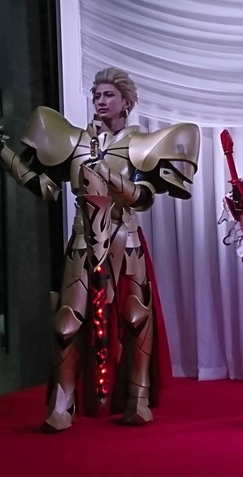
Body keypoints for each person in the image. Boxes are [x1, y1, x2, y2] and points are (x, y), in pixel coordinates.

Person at [0, 67, 200, 432]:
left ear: (126, 102)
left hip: (127, 238)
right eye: (96, 95)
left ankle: (138, 398)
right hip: (82, 240)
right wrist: (4, 154)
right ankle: (62, 403)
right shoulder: (74, 142)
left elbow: (142, 199)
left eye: (108, 94)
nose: (100, 100)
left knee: (136, 317)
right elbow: (45, 188)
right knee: (66, 322)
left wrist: (109, 175)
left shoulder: (142, 144)